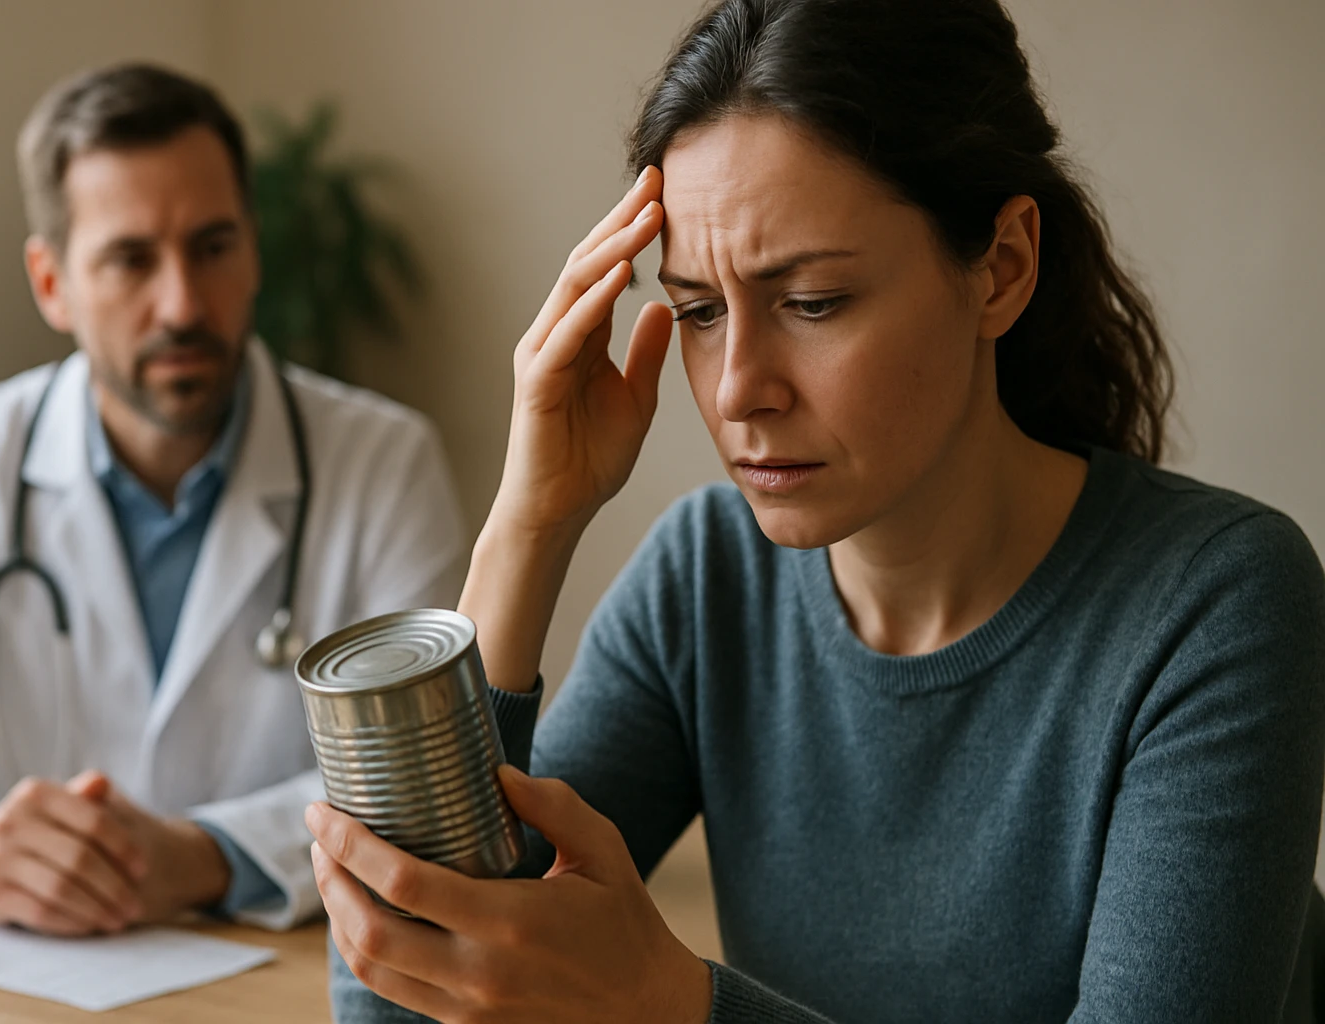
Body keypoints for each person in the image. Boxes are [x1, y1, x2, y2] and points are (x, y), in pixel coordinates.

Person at [313, 0, 1325, 1021]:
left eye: (811, 303)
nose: (738, 386)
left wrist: (670, 1001)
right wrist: (527, 524)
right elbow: (399, 994)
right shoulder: (707, 579)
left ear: (1002, 269)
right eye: (701, 311)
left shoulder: (1219, 602)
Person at [0, 64, 464, 936]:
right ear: (51, 284)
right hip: (34, 981)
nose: (181, 303)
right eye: (130, 259)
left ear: (253, 250)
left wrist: (206, 856)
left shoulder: (382, 461)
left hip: (296, 973)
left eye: (212, 246)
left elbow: (432, 775)